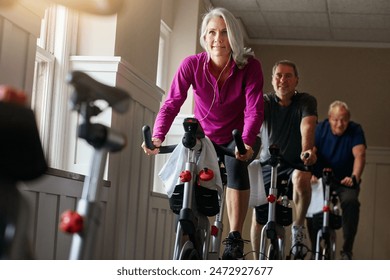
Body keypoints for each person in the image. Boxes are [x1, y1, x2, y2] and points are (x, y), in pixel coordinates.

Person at [141, 7, 264, 260]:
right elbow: (172, 102)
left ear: (233, 37)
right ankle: (191, 222)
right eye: (211, 32)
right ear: (204, 38)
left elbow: (254, 109)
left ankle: (234, 238)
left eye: (223, 32)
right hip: (205, 137)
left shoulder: (249, 67)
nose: (217, 38)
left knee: (237, 163)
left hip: (236, 137)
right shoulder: (192, 65)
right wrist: (157, 136)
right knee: (189, 157)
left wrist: (248, 144)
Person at [250, 60, 318, 259]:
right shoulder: (264, 102)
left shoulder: (306, 101)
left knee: (302, 178)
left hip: (293, 165)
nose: (283, 80)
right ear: (272, 80)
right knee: (259, 216)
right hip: (266, 164)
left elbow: (307, 126)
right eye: (279, 75)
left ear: (296, 80)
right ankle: (257, 263)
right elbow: (252, 125)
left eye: (288, 76)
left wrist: (307, 151)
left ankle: (298, 227)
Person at [308, 100, 366, 260]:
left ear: (349, 118)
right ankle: (314, 251)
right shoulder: (320, 129)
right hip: (320, 179)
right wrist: (310, 173)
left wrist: (354, 177)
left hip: (344, 181)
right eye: (336, 119)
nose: (340, 124)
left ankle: (347, 250)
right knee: (310, 205)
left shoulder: (355, 130)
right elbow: (311, 151)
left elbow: (359, 154)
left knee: (351, 202)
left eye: (344, 119)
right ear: (329, 118)